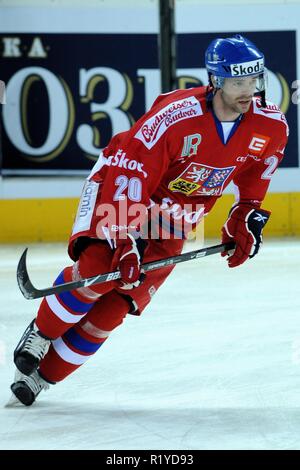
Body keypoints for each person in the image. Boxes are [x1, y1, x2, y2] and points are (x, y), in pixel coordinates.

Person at [10, 34, 288, 406]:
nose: (247, 91)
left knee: (118, 304)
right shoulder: (175, 117)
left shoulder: (270, 125)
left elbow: (257, 169)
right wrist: (126, 242)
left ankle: (44, 376)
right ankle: (42, 333)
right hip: (122, 186)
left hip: (178, 212)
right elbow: (132, 171)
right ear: (216, 81)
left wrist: (245, 211)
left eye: (253, 81)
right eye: (238, 82)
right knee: (100, 267)